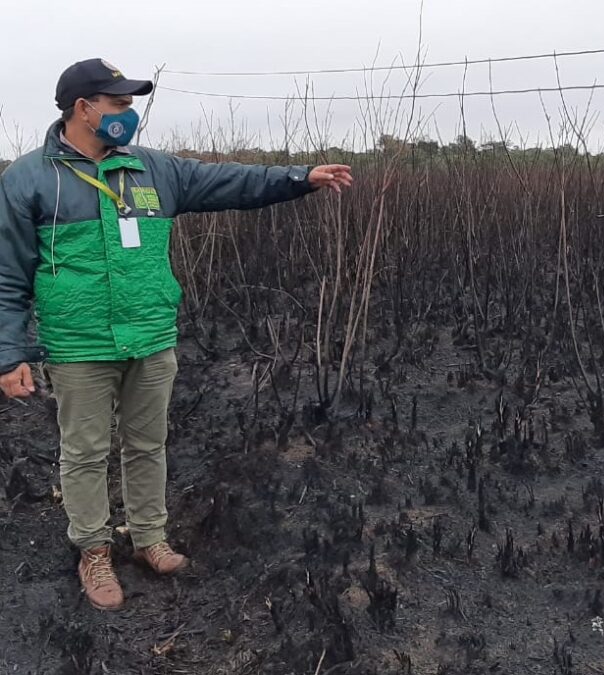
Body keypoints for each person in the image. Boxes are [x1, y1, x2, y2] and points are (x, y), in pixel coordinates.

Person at [0, 59, 352, 610]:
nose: (128, 113)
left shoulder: (153, 169)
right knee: (85, 452)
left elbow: (232, 181)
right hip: (78, 343)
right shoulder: (28, 178)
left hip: (151, 334)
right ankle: (93, 550)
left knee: (147, 443)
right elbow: (8, 274)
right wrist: (10, 352)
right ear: (82, 108)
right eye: (117, 104)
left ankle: (148, 538)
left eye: (128, 104)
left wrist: (300, 178)